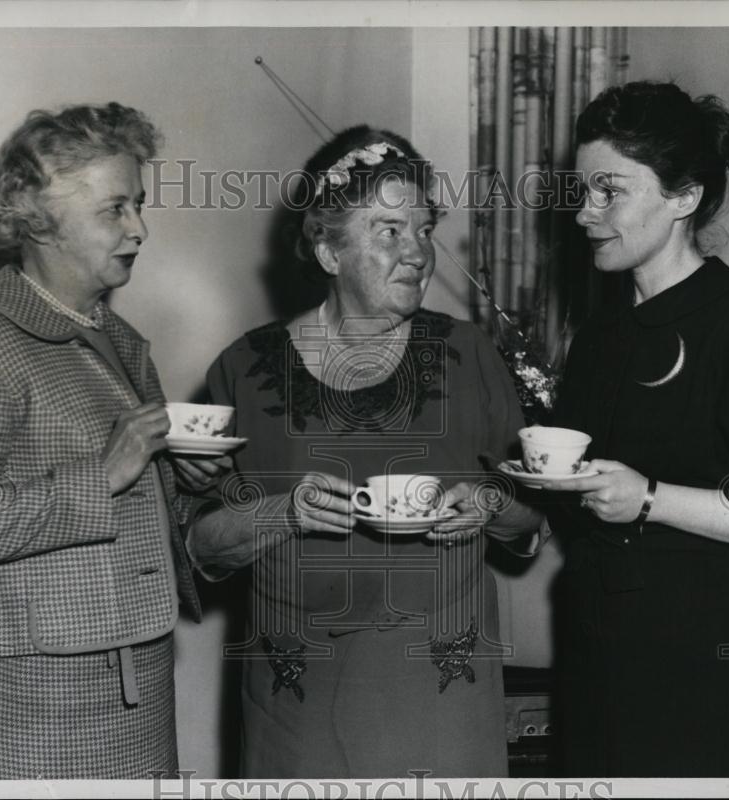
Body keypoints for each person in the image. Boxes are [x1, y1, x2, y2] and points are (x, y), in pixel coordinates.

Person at [186, 126, 546, 778]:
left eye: (424, 229)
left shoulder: (472, 357)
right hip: (296, 703)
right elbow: (201, 546)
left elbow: (533, 522)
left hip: (443, 698)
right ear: (328, 251)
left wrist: (490, 505)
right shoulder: (242, 370)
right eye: (388, 231)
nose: (417, 253)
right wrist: (283, 515)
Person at [0, 103, 228, 779]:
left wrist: (179, 483)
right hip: (43, 707)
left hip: (145, 679)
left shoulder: (118, 339)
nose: (139, 229)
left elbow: (128, 516)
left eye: (138, 204)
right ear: (40, 222)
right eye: (115, 210)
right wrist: (102, 477)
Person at [540, 81, 729, 777]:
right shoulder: (600, 335)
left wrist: (649, 498)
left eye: (609, 191)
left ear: (685, 197)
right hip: (596, 657)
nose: (585, 213)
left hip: (696, 675)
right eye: (581, 190)